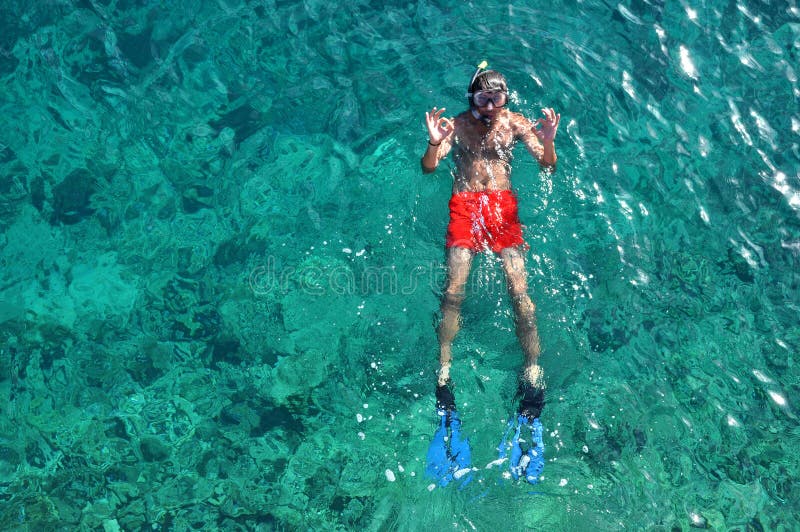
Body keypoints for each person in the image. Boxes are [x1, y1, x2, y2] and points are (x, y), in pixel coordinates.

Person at [422, 63, 560, 484]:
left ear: (506, 98)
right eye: (483, 97)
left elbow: (547, 165)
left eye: (497, 97)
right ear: (471, 97)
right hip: (465, 206)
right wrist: (434, 143)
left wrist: (549, 142)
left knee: (520, 290)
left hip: (502, 208)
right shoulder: (456, 126)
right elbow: (429, 168)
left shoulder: (514, 123)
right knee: (454, 290)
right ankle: (445, 368)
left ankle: (532, 367)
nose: (490, 105)